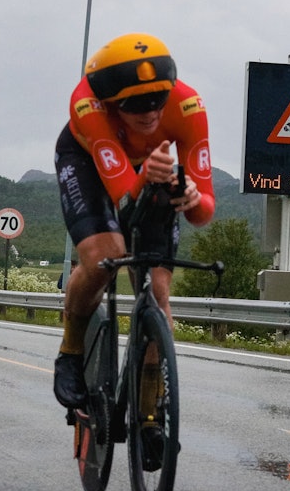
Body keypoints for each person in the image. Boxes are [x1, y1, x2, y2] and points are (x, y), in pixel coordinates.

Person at [53, 32, 215, 408]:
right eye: (136, 106)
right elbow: (123, 197)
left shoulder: (188, 106)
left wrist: (192, 196)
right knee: (104, 256)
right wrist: (148, 177)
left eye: (158, 100)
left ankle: (148, 409)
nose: (151, 113)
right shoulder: (87, 105)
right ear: (111, 102)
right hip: (88, 163)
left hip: (148, 170)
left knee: (158, 293)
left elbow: (204, 213)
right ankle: (70, 351)